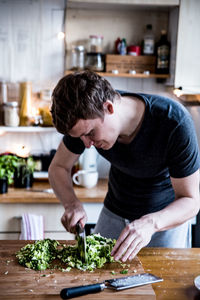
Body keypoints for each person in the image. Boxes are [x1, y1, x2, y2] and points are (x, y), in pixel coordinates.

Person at [49, 71, 200, 262]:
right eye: (80, 138)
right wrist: (71, 204)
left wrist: (151, 223)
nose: (87, 145)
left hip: (164, 220)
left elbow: (191, 201)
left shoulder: (174, 122)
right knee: (97, 278)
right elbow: (59, 167)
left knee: (162, 288)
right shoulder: (86, 118)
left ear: (109, 108)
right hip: (114, 212)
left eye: (90, 134)